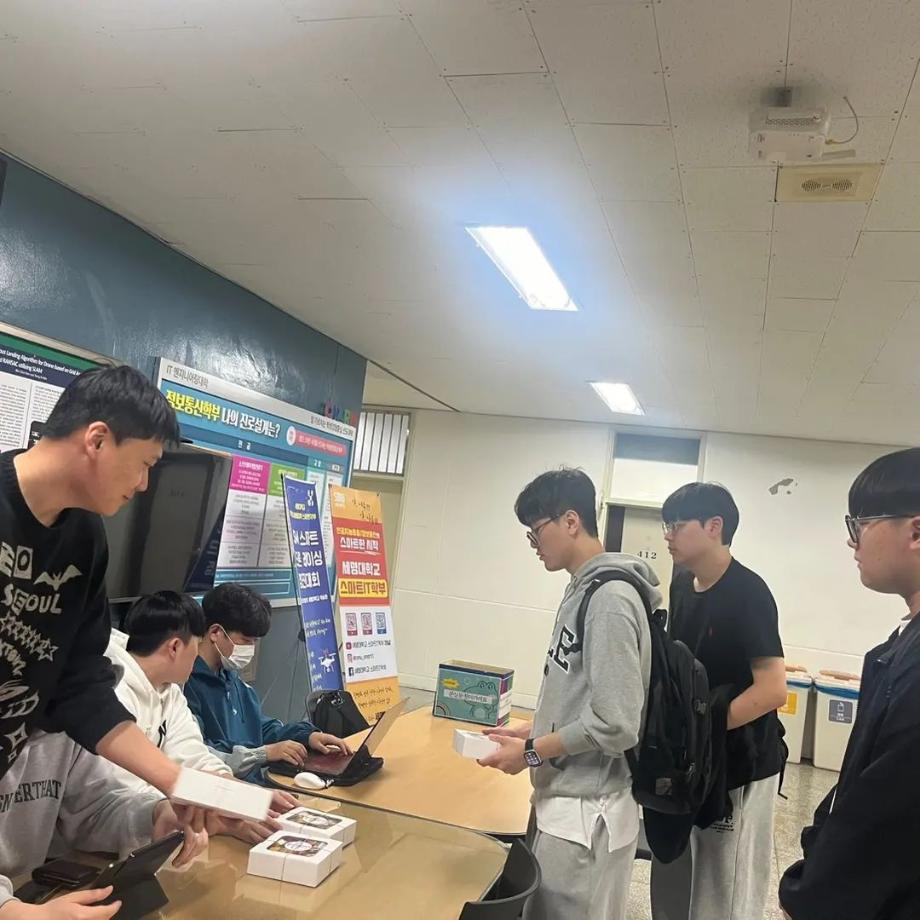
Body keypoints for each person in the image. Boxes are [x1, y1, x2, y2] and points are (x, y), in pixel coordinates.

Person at [0, 365, 208, 815]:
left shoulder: (85, 539)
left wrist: (184, 784)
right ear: (97, 440)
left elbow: (80, 686)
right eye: (144, 464)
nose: (143, 484)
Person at [479, 468, 656, 920]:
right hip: (569, 804)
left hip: (587, 816)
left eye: (537, 531)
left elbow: (616, 723)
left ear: (571, 521)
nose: (534, 545)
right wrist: (535, 729)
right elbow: (582, 695)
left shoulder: (610, 600)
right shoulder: (584, 588)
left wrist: (531, 752)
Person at [779, 449, 920, 919]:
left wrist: (807, 894)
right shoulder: (902, 644)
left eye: (860, 524)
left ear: (916, 531)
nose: (851, 540)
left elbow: (883, 823)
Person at [651, 482, 787, 920]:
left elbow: (773, 689)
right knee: (676, 864)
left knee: (722, 880)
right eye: (666, 525)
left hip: (740, 758)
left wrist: (702, 729)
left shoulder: (748, 592)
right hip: (691, 757)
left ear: (714, 526)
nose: (668, 535)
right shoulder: (681, 584)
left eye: (677, 525)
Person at [106, 590, 298, 841]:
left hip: (160, 831)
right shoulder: (112, 697)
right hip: (112, 844)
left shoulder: (171, 692)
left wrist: (245, 797)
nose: (198, 654)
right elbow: (115, 797)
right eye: (197, 644)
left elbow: (195, 757)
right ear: (175, 647)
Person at [0, 728, 210, 920]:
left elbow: (95, 807)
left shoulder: (65, 726)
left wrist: (153, 813)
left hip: (27, 892)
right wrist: (11, 910)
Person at [184, 583, 350, 783]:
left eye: (255, 641)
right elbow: (200, 753)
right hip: (225, 788)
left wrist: (307, 736)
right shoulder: (187, 686)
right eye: (246, 640)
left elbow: (261, 728)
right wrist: (264, 753)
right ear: (215, 632)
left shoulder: (232, 679)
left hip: (254, 785)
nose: (251, 649)